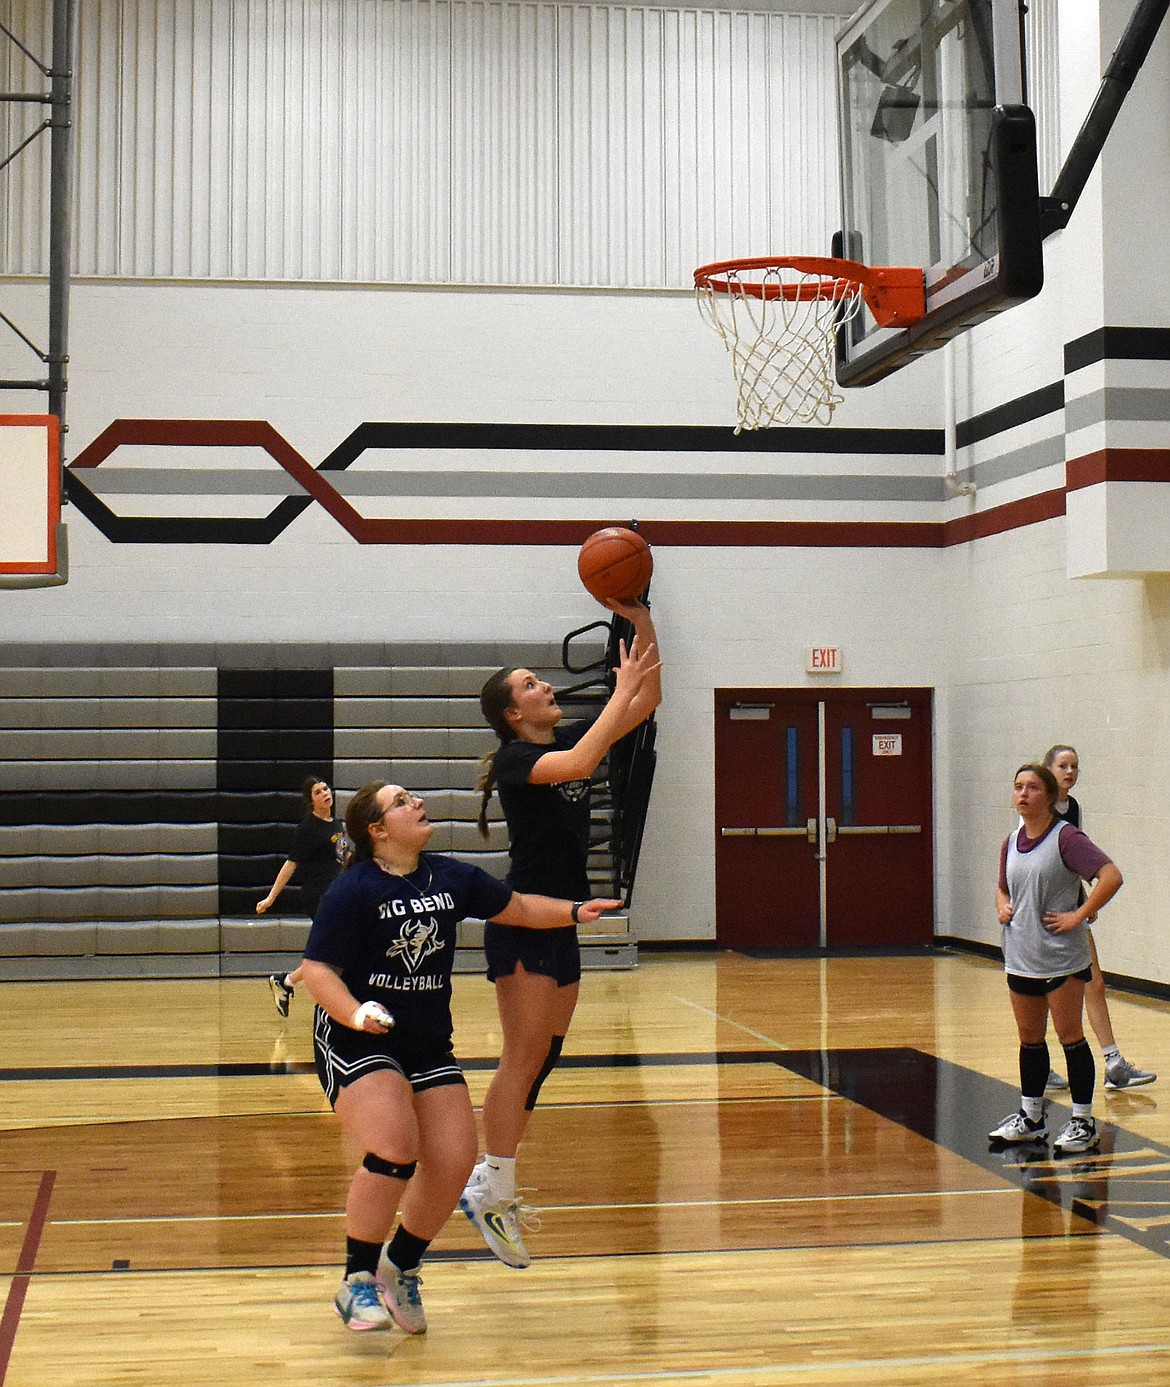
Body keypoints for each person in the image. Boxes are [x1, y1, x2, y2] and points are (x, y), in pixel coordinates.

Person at [298, 779, 622, 1333]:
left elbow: (516, 907)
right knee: (395, 1146)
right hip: (358, 1038)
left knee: (452, 1162)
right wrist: (354, 1014)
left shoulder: (449, 876)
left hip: (426, 1041)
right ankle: (356, 1282)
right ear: (377, 830)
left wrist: (574, 911)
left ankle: (398, 1265)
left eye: (412, 798)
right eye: (400, 802)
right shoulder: (351, 891)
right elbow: (317, 971)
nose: (417, 804)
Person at [462, 600, 662, 1268]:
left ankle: (496, 1180)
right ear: (513, 712)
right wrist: (621, 691)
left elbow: (650, 694)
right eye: (530, 685)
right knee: (520, 1058)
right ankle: (491, 1182)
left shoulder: (565, 737)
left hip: (564, 923)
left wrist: (638, 616)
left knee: (541, 1060)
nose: (545, 685)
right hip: (522, 918)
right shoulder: (521, 758)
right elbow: (580, 763)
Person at [989, 762, 1124, 1155]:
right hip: (1020, 954)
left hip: (1061, 958)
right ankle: (1031, 1117)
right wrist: (1002, 906)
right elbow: (1001, 888)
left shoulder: (1066, 838)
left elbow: (1111, 875)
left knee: (1070, 1038)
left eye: (1031, 787)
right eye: (1017, 787)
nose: (1022, 794)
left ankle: (1083, 1121)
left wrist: (1078, 915)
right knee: (1030, 1041)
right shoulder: (1010, 841)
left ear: (1047, 796)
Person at [1039, 744, 1155, 1092]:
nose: (1070, 771)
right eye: (1063, 765)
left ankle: (1113, 1062)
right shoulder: (1038, 810)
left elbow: (1072, 859)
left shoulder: (1072, 808)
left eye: (1075, 765)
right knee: (1046, 989)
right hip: (1044, 912)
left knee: (1094, 983)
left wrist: (1085, 900)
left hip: (1070, 907)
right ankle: (1040, 1063)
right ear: (1048, 769)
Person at [258, 776, 347, 1017]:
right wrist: (271, 898)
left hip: (336, 894)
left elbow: (343, 859)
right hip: (318, 895)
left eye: (326, 788)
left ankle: (285, 982)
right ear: (311, 801)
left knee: (334, 951)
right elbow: (290, 864)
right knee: (334, 950)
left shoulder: (337, 824)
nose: (325, 793)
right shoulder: (308, 828)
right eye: (318, 792)